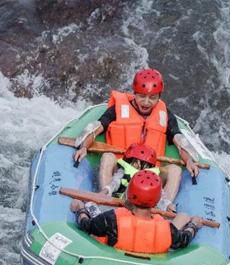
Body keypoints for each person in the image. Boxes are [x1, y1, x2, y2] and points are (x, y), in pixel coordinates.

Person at [72, 68, 201, 211]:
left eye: (152, 97)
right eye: (142, 96)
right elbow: (97, 128)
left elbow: (179, 140)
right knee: (108, 156)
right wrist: (84, 146)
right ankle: (106, 202)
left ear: (159, 97)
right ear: (134, 93)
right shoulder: (118, 109)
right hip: (121, 167)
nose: (146, 102)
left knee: (175, 170)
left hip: (151, 173)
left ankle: (161, 209)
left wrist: (189, 160)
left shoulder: (165, 115)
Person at [70, 170, 204, 254]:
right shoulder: (167, 229)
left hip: (112, 262)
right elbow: (184, 240)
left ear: (129, 194)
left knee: (91, 207)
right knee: (183, 217)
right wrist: (194, 225)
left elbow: (87, 226)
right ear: (157, 200)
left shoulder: (111, 219)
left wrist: (80, 209)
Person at [102, 142, 174, 211]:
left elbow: (161, 193)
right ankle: (104, 201)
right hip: (124, 202)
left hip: (145, 207)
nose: (137, 166)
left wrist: (168, 204)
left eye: (142, 164)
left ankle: (165, 210)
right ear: (129, 162)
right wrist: (105, 191)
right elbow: (115, 182)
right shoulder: (124, 171)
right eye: (135, 162)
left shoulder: (151, 177)